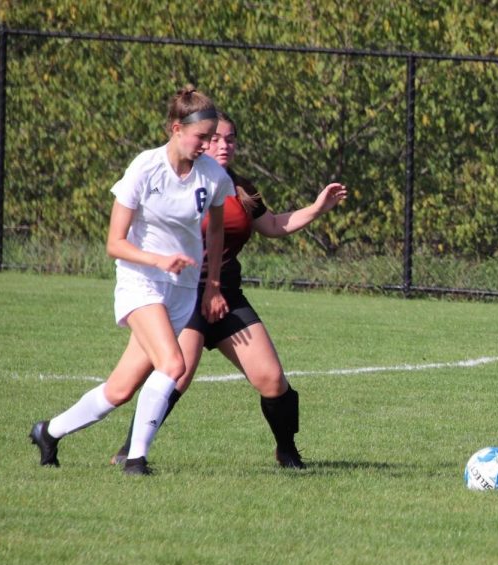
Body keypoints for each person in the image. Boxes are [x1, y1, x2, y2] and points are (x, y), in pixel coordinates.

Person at [108, 111, 347, 470]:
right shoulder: (174, 181)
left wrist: (316, 208)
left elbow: (272, 224)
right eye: (214, 137)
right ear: (195, 137)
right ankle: (131, 451)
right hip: (183, 293)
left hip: (226, 294)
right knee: (176, 374)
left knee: (272, 380)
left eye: (229, 139)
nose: (222, 145)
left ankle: (287, 451)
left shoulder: (237, 186)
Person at [29, 85, 232, 475]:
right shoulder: (145, 167)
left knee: (119, 390)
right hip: (141, 282)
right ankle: (135, 460)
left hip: (183, 289)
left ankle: (48, 431)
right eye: (201, 137)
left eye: (212, 137)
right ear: (176, 128)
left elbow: (217, 231)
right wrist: (158, 259)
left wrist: (212, 284)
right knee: (173, 365)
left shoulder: (212, 175)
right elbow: (114, 243)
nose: (208, 145)